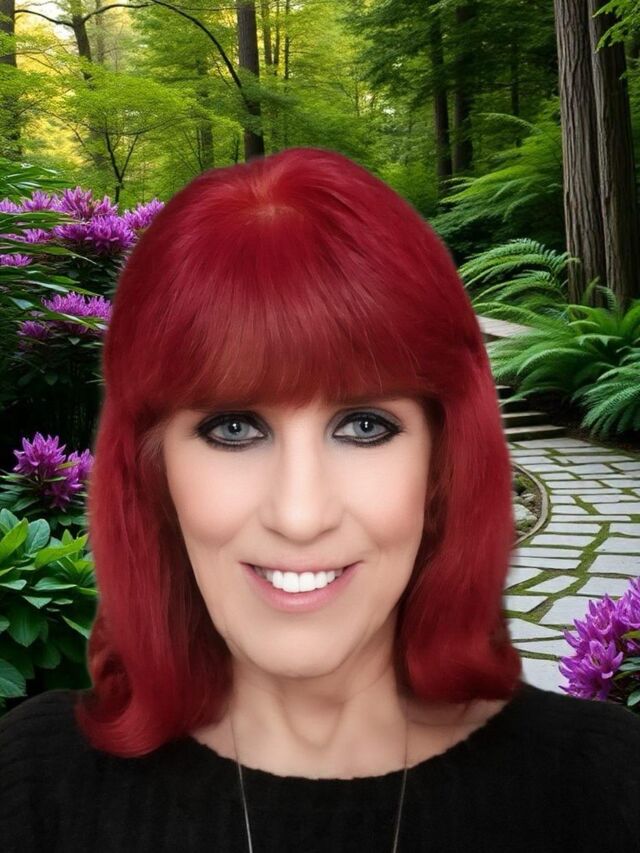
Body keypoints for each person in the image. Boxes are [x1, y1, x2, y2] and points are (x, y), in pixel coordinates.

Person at [1, 146, 638, 853]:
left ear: (442, 463)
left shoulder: (605, 786)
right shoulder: (33, 786)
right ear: (154, 473)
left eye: (364, 426)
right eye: (234, 427)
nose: (300, 515)